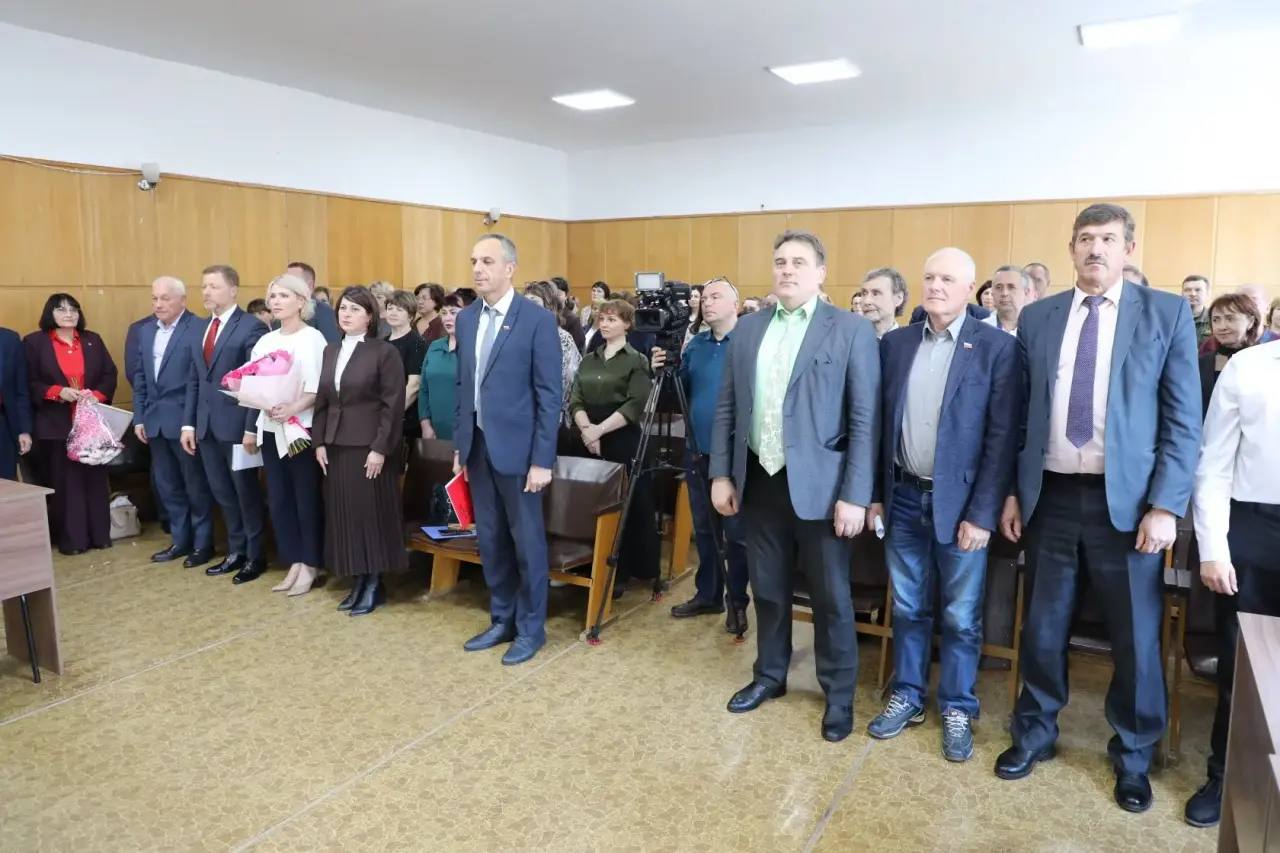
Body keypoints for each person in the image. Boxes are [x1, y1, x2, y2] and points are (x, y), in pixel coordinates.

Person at [996, 204, 1200, 814]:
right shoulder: (1039, 316)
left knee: (1135, 637)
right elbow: (1020, 415)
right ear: (1071, 249)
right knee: (1043, 627)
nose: (1095, 249)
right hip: (1051, 497)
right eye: (1085, 239)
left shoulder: (1165, 313)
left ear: (1127, 248)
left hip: (1130, 507)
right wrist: (1013, 489)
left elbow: (1183, 421)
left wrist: (1165, 505)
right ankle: (1035, 733)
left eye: (1108, 239)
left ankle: (1133, 756)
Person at [711, 230, 879, 744]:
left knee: (831, 598)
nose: (787, 269)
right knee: (767, 589)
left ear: (821, 272)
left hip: (823, 490)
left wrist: (855, 494)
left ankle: (839, 695)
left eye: (799, 262)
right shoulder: (748, 329)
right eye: (780, 261)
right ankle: (770, 674)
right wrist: (721, 473)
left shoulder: (849, 329)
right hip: (759, 480)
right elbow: (727, 406)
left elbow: (865, 419)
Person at [865, 248, 1022, 762]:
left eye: (947, 279)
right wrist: (876, 495)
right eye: (929, 276)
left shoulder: (996, 348)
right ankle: (908, 694)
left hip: (962, 508)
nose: (935, 286)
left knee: (960, 616)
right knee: (909, 606)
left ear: (969, 288)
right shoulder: (896, 344)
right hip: (903, 497)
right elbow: (879, 426)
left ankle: (957, 704)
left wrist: (982, 514)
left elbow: (1001, 439)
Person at [1184, 338, 1280, 828]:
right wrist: (1214, 549)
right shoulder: (1248, 367)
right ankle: (1224, 776)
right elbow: (1215, 462)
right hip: (1254, 526)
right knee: (1240, 667)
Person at [454, 234, 561, 666]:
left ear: (510, 268)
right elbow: (464, 386)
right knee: (491, 538)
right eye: (474, 261)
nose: (478, 269)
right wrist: (461, 445)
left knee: (527, 542)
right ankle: (502, 618)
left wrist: (542, 460)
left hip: (520, 453)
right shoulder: (466, 319)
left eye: (487, 261)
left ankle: (532, 628)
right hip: (479, 448)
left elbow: (549, 395)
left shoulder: (536, 320)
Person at [653, 278, 750, 630]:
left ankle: (737, 602)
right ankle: (708, 595)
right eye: (704, 297)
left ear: (735, 305)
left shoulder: (748, 344)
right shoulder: (695, 346)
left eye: (715, 296)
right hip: (697, 451)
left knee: (736, 534)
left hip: (736, 457)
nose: (707, 302)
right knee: (705, 530)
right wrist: (662, 371)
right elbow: (677, 394)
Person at [313, 286, 408, 615]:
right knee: (346, 516)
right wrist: (319, 441)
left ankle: (374, 582)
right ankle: (358, 579)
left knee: (370, 515)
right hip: (336, 445)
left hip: (369, 447)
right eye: (343, 308)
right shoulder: (331, 350)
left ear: (370, 316)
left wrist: (380, 448)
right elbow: (323, 400)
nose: (346, 314)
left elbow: (392, 405)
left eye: (355, 309)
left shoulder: (383, 352)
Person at [181, 264, 269, 583]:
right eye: (204, 286)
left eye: (214, 286)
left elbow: (256, 382)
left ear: (233, 290)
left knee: (246, 494)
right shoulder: (200, 328)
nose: (206, 292)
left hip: (237, 427)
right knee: (223, 494)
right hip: (206, 427)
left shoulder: (250, 327)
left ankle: (256, 556)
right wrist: (188, 424)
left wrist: (250, 428)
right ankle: (236, 551)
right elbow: (195, 379)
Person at [243, 274, 328, 594]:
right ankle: (293, 559)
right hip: (270, 427)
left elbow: (318, 388)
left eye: (283, 296)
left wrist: (293, 406)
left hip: (300, 428)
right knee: (279, 498)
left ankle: (311, 562)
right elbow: (252, 383)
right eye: (273, 296)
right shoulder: (266, 341)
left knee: (305, 497)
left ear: (301, 302)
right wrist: (261, 404)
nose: (276, 301)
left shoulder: (313, 338)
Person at [569, 298, 657, 596]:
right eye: (602, 318)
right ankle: (586, 564)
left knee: (622, 506)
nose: (604, 324)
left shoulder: (636, 360)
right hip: (587, 437)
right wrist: (587, 430)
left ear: (627, 325)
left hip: (620, 437)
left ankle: (621, 570)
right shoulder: (589, 358)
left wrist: (598, 431)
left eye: (612, 319)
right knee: (587, 503)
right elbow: (575, 398)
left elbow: (634, 405)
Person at [24, 293, 118, 555]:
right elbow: (29, 382)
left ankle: (100, 536)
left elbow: (110, 374)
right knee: (67, 484)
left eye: (73, 309)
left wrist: (96, 395)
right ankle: (73, 541)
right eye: (61, 309)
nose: (69, 314)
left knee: (95, 480)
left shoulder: (92, 340)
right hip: (56, 423)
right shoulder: (34, 343)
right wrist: (57, 392)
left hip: (92, 422)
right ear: (50, 313)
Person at [132, 276, 215, 567]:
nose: (158, 304)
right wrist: (139, 417)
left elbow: (200, 380)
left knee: (195, 486)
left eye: (165, 298)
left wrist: (190, 422)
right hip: (154, 422)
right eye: (154, 298)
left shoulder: (199, 328)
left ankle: (203, 544)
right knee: (168, 486)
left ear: (182, 300)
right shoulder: (145, 331)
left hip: (185, 423)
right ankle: (180, 540)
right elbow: (141, 377)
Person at [524, 281, 580, 426]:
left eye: (534, 302)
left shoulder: (562, 338)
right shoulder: (518, 336)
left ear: (548, 306)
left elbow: (569, 380)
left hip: (551, 417)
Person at [1197, 293, 1262, 416]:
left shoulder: (1264, 361)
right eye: (1216, 320)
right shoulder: (1202, 363)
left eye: (1230, 319)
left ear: (1250, 322)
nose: (1222, 327)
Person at [383, 290, 428, 441]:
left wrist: (390, 415)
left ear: (410, 315)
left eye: (399, 309)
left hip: (404, 418)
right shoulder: (383, 342)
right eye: (390, 308)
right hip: (382, 413)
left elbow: (414, 386)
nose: (393, 313)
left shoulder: (416, 342)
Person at [418, 294, 463, 441]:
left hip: (465, 432)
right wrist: (425, 425)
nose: (447, 318)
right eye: (444, 313)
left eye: (453, 313)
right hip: (434, 431)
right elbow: (424, 388)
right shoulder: (435, 346)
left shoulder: (476, 349)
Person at [0, 326, 33, 481]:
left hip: (3, 425)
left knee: (6, 484)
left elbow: (21, 389)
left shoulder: (9, 339)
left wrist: (23, 430)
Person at [285, 262, 341, 344]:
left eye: (293, 281)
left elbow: (332, 347)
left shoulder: (325, 313)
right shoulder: (282, 314)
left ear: (309, 285)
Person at [860, 267, 907, 339]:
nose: (867, 301)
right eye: (864, 293)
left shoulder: (911, 342)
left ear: (898, 298)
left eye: (876, 293)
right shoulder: (849, 340)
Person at [982, 265, 1030, 335]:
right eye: (999, 287)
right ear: (992, 293)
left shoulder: (1038, 330)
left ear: (1026, 293)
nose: (1004, 293)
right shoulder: (980, 329)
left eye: (1011, 287)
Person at [1182, 275, 1212, 344]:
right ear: (1182, 294)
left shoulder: (1214, 319)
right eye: (1187, 290)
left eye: (1198, 290)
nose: (1192, 294)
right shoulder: (1172, 319)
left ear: (1207, 294)